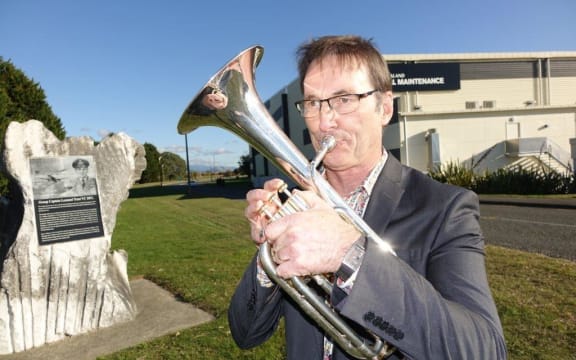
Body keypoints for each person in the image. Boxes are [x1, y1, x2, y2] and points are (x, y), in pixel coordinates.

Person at [228, 35, 507, 359]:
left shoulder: (446, 208)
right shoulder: (297, 207)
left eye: (344, 99)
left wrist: (351, 256)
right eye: (313, 102)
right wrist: (270, 254)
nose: (323, 122)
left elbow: (484, 349)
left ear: (385, 107)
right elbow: (245, 334)